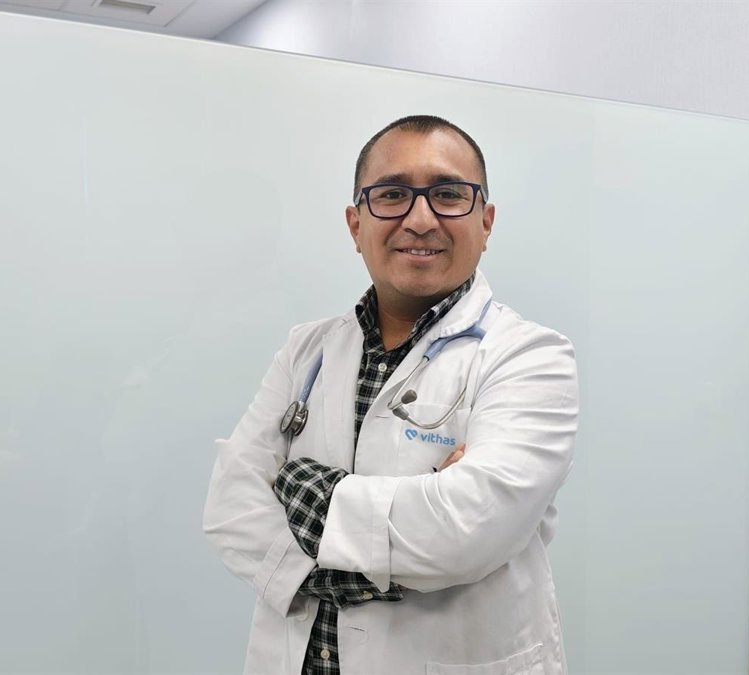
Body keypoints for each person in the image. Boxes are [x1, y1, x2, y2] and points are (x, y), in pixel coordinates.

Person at [203, 115, 579, 675]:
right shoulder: (306, 350)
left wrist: (296, 485)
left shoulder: (531, 357)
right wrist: (408, 526)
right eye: (392, 195)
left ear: (485, 221)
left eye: (448, 194)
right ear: (356, 225)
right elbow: (230, 509)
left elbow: (466, 530)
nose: (420, 219)